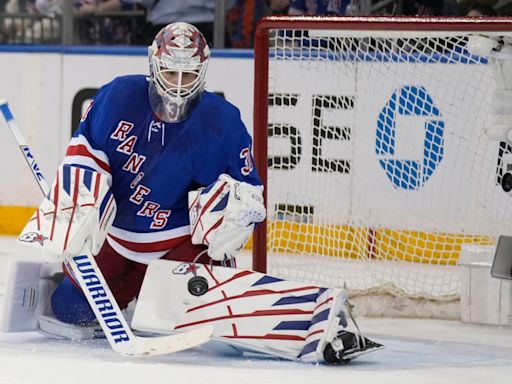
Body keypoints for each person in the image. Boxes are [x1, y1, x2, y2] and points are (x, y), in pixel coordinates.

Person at [13, 22, 382, 364]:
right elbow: (84, 156)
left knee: (196, 318)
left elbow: (249, 193)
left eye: (187, 74)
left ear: (202, 72)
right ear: (154, 65)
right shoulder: (117, 97)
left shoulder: (221, 122)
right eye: (170, 72)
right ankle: (108, 291)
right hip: (115, 241)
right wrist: (76, 206)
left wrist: (232, 220)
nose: (177, 84)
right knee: (69, 311)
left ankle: (306, 319)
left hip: (178, 248)